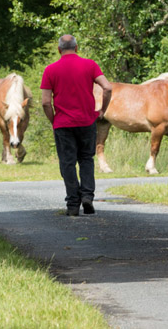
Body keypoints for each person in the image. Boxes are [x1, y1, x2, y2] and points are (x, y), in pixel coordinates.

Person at [41, 35, 112, 216]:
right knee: (86, 159)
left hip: (63, 124)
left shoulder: (50, 70)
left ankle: (73, 205)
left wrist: (53, 120)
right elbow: (108, 87)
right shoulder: (90, 65)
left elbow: (45, 103)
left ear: (59, 49)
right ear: (76, 47)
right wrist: (102, 110)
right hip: (87, 121)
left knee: (68, 163)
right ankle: (87, 196)